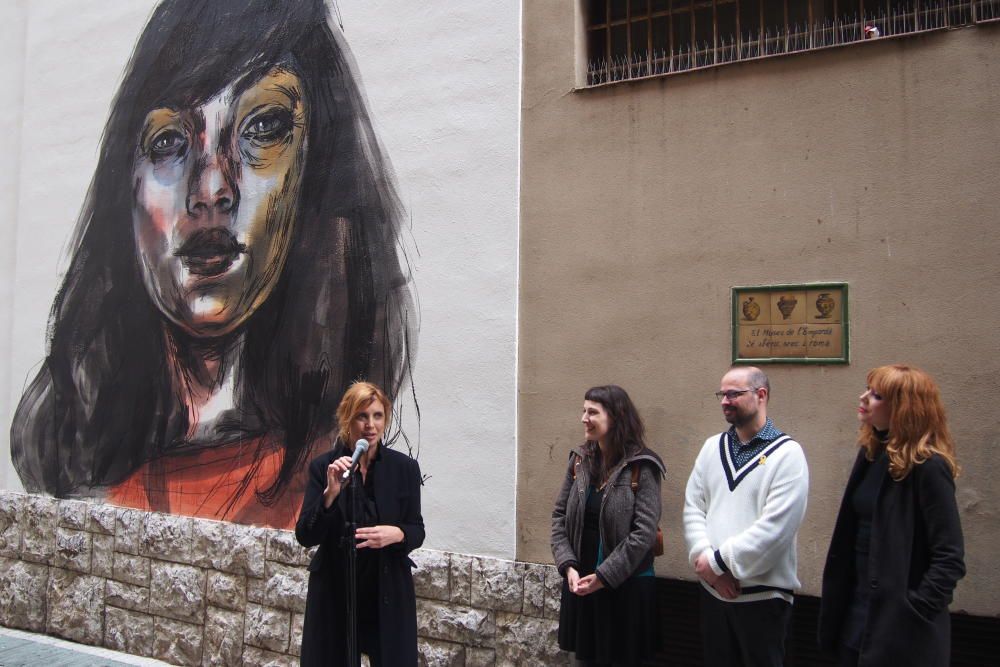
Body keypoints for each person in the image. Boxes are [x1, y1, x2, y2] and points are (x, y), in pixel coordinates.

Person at [10, 0, 415, 529]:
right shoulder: (88, 478)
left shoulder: (331, 476)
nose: (211, 189)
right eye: (170, 141)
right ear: (125, 188)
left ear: (315, 172)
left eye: (263, 127)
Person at [818, 364, 964, 667]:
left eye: (876, 395)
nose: (864, 398)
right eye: (868, 390)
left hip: (898, 629)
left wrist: (915, 610)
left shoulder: (929, 467)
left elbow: (949, 557)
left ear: (903, 408)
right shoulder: (871, 453)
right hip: (855, 616)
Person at [683, 366, 809, 667]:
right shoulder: (712, 447)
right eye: (722, 394)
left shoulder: (788, 455)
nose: (725, 400)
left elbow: (776, 529)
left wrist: (718, 563)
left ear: (761, 395)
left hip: (763, 600)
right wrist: (707, 564)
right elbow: (693, 507)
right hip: (713, 594)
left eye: (734, 394)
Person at [296, 381, 424, 667]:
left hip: (386, 587)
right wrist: (330, 494)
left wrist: (397, 533)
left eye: (377, 416)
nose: (370, 425)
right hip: (336, 587)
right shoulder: (324, 467)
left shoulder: (404, 468)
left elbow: (417, 529)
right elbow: (305, 535)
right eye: (361, 416)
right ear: (347, 419)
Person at [551, 385, 665, 666]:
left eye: (592, 412)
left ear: (615, 417)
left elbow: (644, 533)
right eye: (583, 411)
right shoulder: (579, 461)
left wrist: (604, 576)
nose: (584, 418)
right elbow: (558, 517)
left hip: (625, 591)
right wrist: (568, 565)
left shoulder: (642, 466)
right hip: (583, 585)